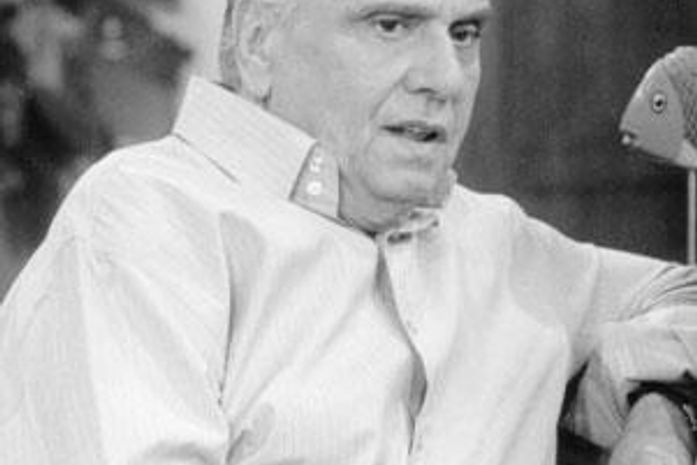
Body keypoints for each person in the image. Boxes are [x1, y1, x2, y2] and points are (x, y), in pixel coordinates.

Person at [0, 0, 696, 464]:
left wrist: (660, 415)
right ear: (259, 44)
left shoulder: (501, 243)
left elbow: (680, 303)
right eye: (390, 25)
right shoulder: (147, 220)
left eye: (464, 34)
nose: (447, 79)